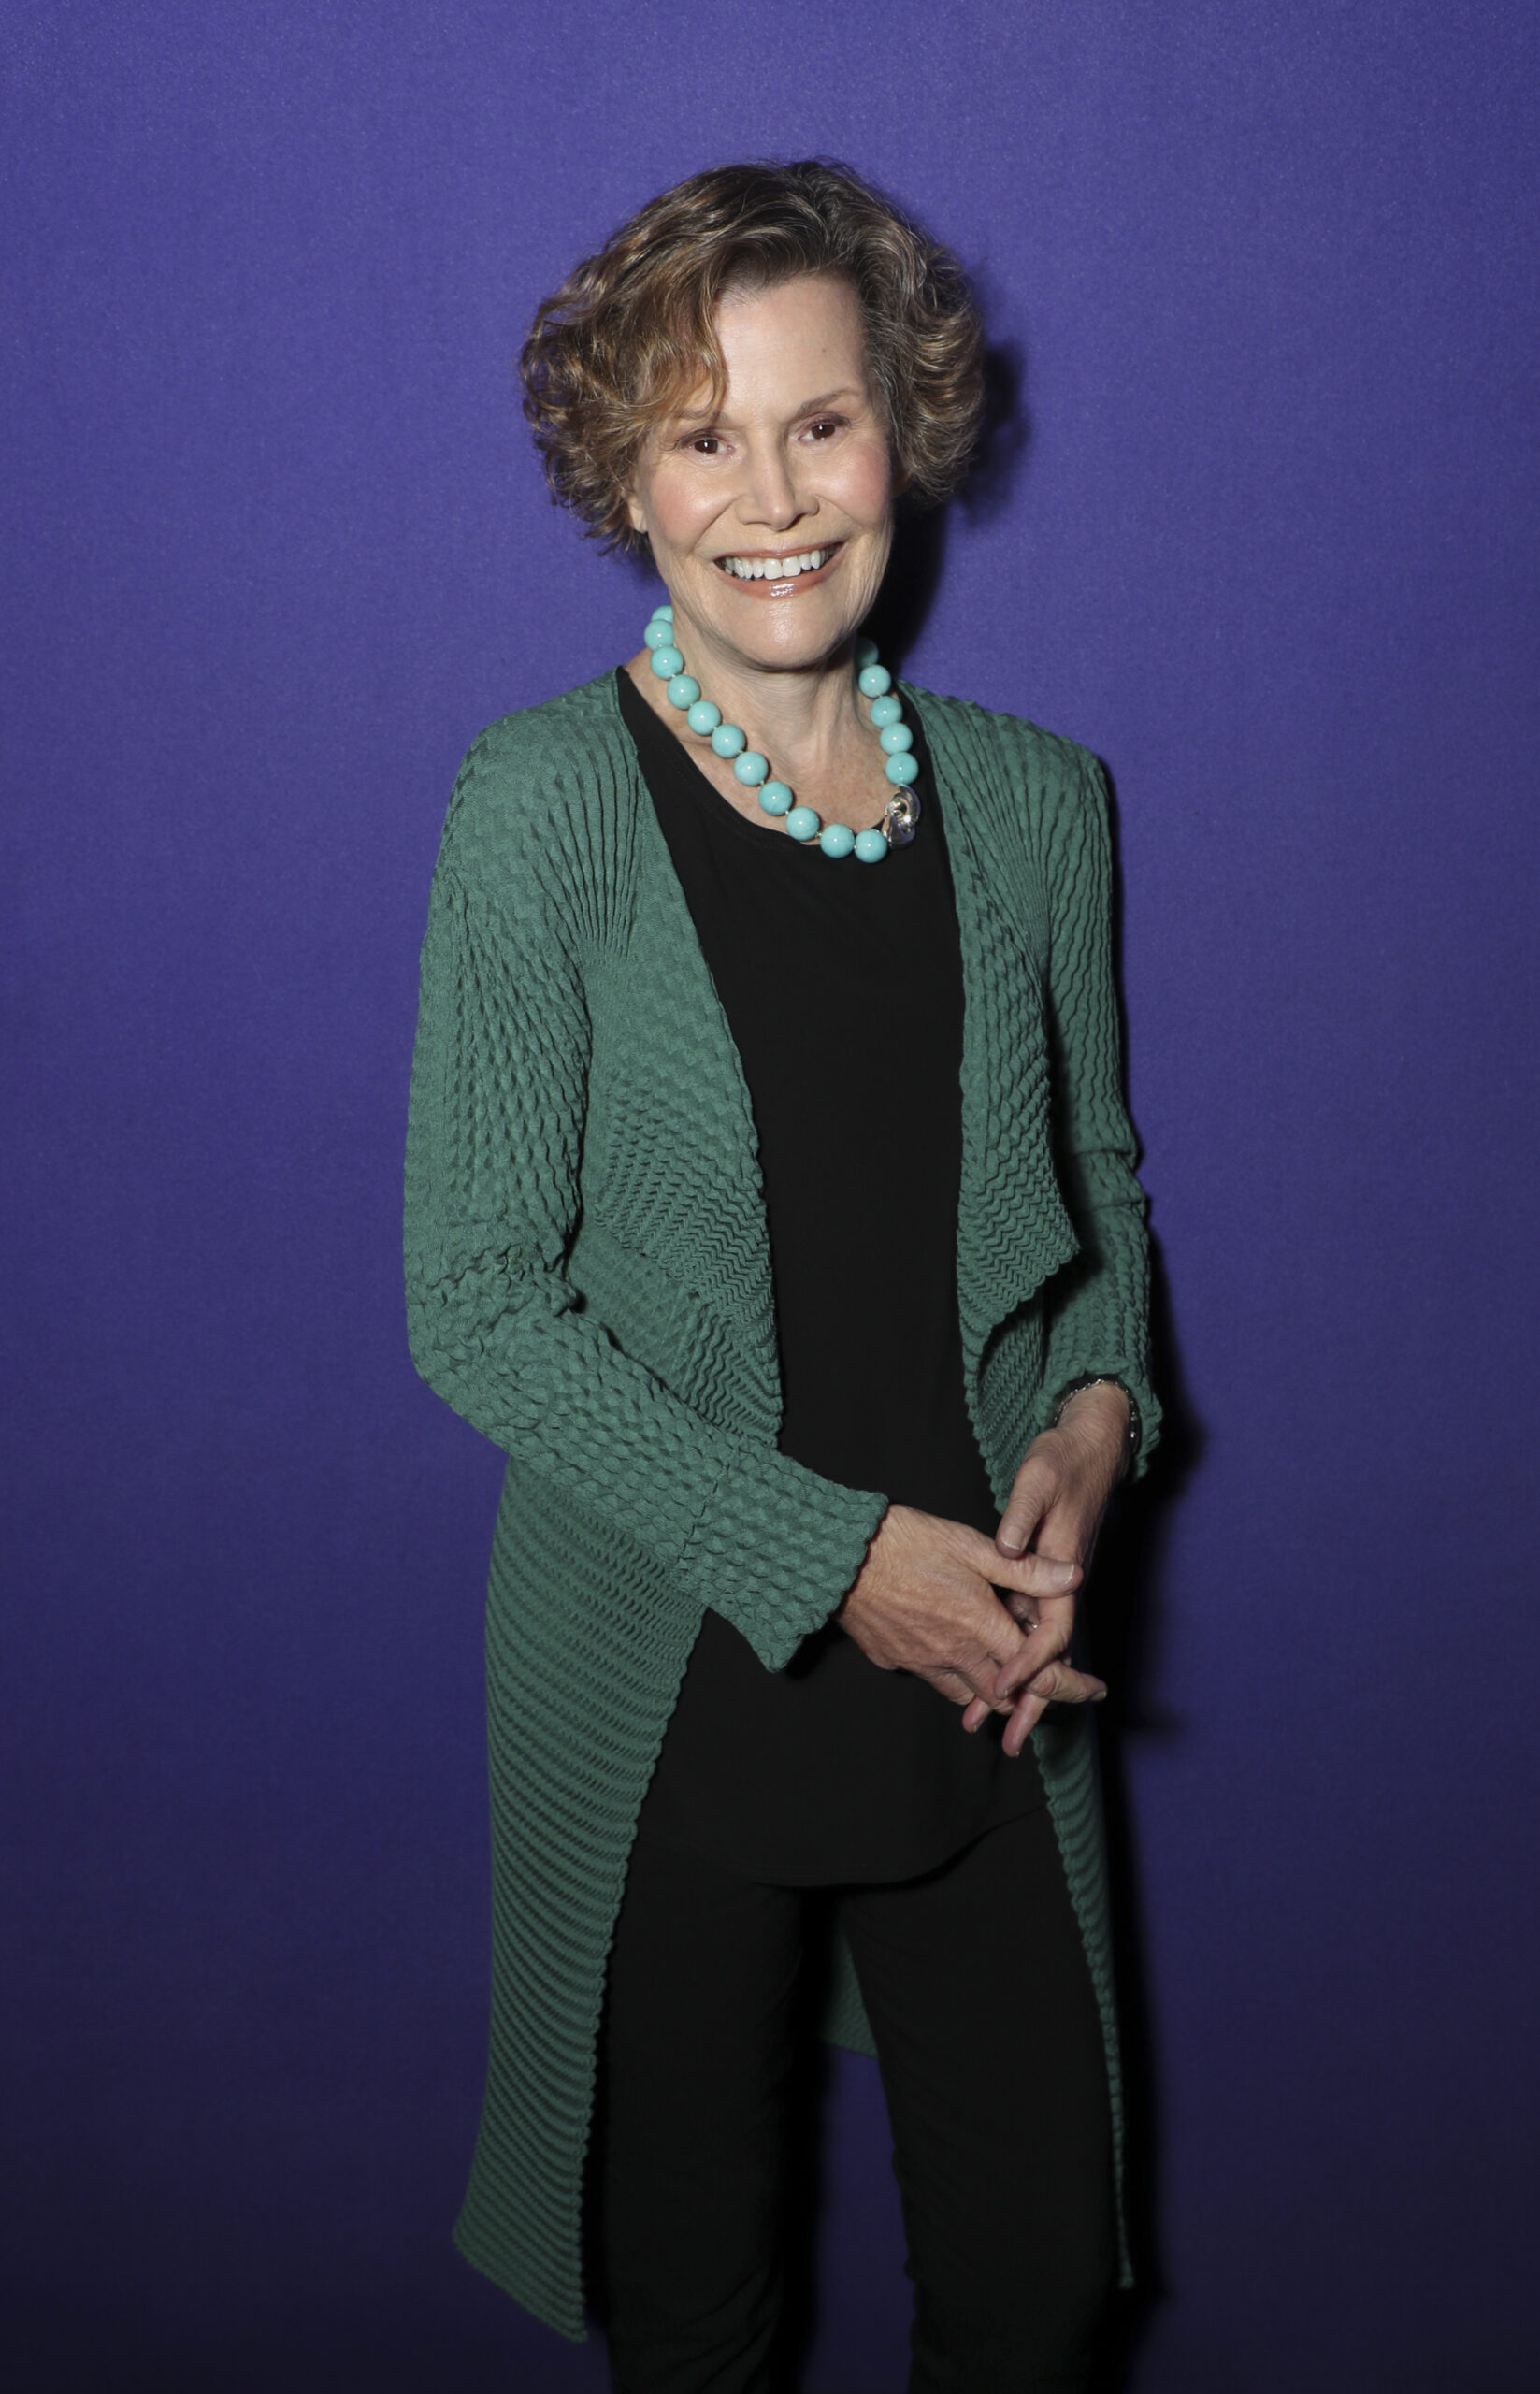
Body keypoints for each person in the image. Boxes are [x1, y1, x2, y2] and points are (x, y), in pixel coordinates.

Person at [404, 158, 1159, 2394]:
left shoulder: (1037, 804)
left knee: (1033, 2296)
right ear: (618, 473)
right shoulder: (536, 805)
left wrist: (1096, 1426)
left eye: (816, 421)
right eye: (697, 431)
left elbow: (1102, 1208)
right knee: (699, 2311)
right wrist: (836, 1562)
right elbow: (472, 1300)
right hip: (672, 1698)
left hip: (981, 1695)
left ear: (902, 431)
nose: (769, 492)